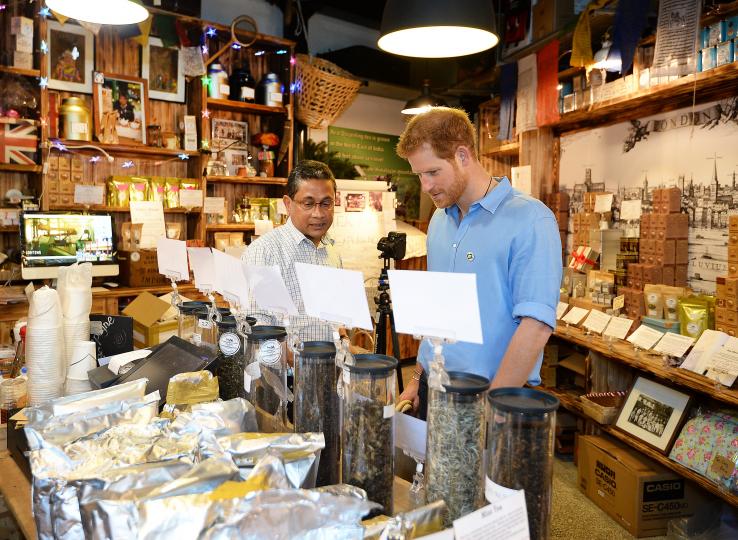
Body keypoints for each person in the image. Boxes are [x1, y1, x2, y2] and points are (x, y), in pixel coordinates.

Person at [395, 107, 562, 418]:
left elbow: (536, 325)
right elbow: (436, 313)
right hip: (435, 389)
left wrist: (492, 409)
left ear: (462, 156)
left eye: (432, 172)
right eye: (419, 175)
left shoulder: (531, 219)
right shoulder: (439, 222)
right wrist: (417, 379)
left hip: (493, 397)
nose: (426, 186)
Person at [242, 160, 341, 342]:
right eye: (308, 204)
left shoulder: (332, 251)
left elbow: (335, 315)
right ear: (288, 204)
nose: (318, 214)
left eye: (326, 203)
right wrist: (295, 361)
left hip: (329, 366)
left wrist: (344, 342)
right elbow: (256, 323)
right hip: (285, 369)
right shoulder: (264, 251)